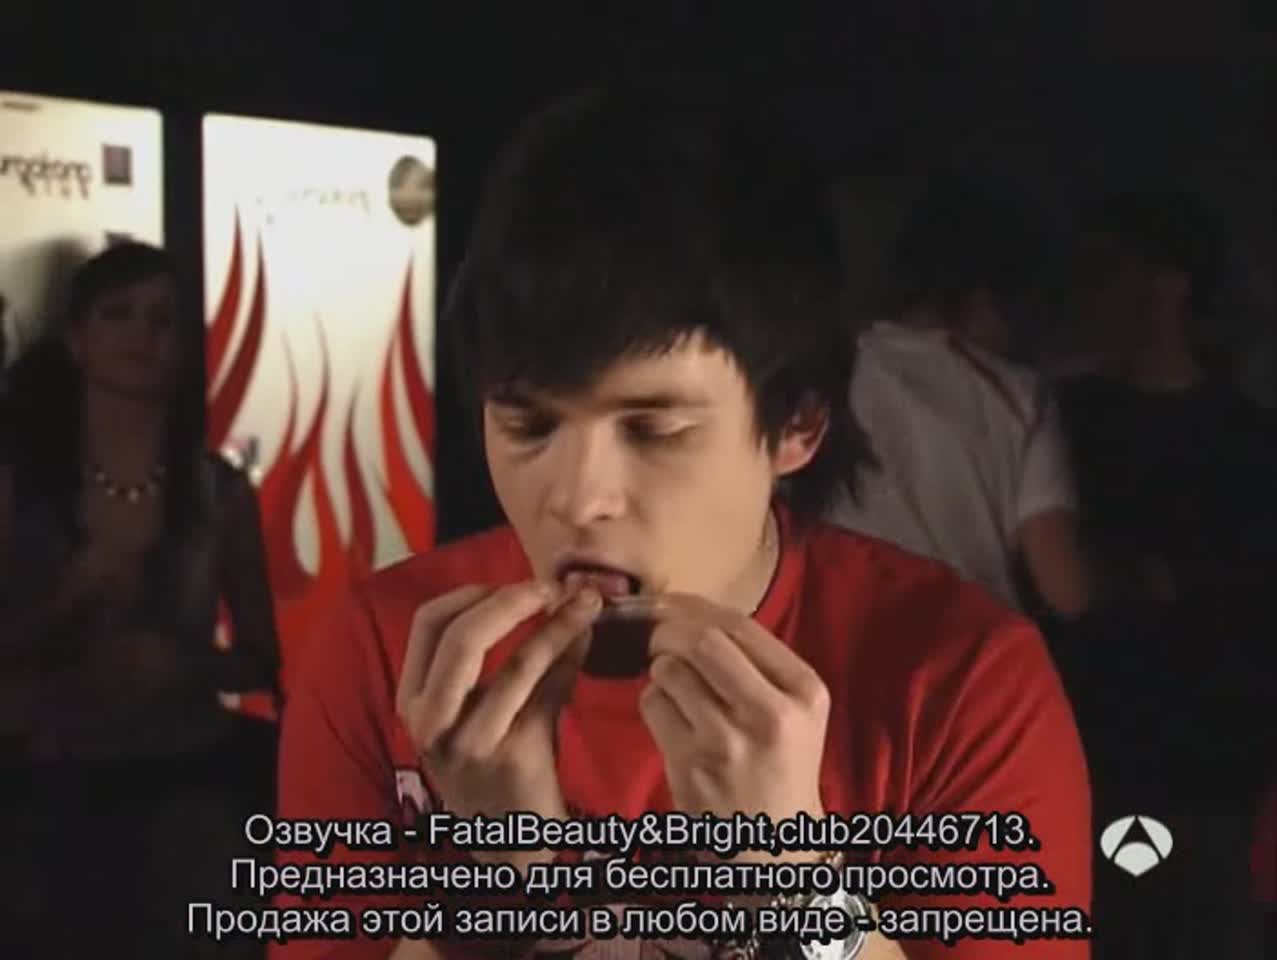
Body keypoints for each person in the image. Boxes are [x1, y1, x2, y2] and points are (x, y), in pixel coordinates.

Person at [273, 89, 1091, 960]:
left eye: (653, 430)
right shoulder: (386, 650)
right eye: (528, 425)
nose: (578, 497)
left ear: (797, 425)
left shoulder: (958, 679)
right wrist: (500, 885)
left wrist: (794, 889)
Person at [0, 242, 281, 957]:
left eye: (162, 320)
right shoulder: (18, 483)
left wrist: (182, 665)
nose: (141, 335)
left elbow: (260, 659)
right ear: (75, 338)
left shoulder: (219, 492)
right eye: (117, 314)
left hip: (182, 798)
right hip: (40, 797)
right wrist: (61, 619)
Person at [1058, 190, 1277, 959]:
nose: (1091, 293)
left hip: (1210, 768)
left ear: (1170, 285)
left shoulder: (1249, 441)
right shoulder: (1063, 418)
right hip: (1087, 751)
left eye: (1109, 270)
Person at [825, 184, 1093, 623]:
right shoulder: (1019, 393)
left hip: (844, 638)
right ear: (986, 297)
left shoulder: (828, 370)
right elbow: (1065, 587)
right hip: (973, 646)